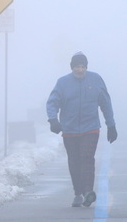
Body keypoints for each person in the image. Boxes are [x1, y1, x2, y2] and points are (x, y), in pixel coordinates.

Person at [46, 51, 117, 207]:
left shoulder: (96, 79)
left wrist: (111, 124)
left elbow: (105, 102)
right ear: (72, 67)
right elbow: (52, 102)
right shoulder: (63, 82)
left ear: (86, 67)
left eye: (83, 66)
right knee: (74, 160)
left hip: (90, 128)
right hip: (69, 129)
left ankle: (87, 192)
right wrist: (53, 119)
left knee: (87, 158)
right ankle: (77, 193)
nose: (80, 70)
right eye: (77, 66)